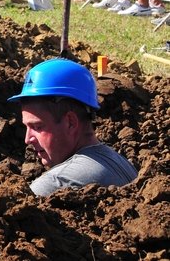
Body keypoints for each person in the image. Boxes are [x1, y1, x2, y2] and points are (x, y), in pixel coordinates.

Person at [9, 58, 137, 196]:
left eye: (37, 127)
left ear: (70, 122)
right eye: (27, 127)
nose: (28, 139)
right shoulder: (120, 163)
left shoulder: (55, 184)